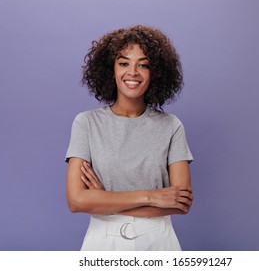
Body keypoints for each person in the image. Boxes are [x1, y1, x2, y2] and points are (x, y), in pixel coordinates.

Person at [65, 25, 193, 251]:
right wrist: (152, 197)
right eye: (124, 63)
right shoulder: (86, 123)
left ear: (156, 72)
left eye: (143, 65)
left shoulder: (171, 126)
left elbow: (181, 203)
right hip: (102, 241)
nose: (133, 72)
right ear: (110, 69)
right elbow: (76, 201)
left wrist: (103, 200)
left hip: (159, 241)